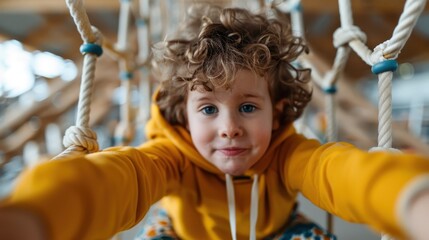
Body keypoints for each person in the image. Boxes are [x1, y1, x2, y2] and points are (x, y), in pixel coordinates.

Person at [1, 4, 429, 240]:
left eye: (247, 107)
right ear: (181, 114)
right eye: (208, 109)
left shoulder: (286, 153)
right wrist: (39, 216)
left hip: (277, 233)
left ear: (276, 110)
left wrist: (410, 198)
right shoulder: (172, 156)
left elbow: (337, 172)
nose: (229, 128)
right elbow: (119, 180)